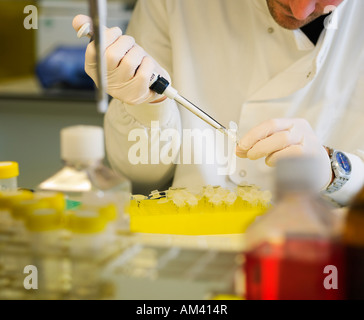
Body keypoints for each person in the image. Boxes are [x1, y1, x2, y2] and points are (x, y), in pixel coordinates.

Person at [72, 0, 364, 205]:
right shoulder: (176, 5)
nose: (300, 10)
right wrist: (145, 106)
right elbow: (138, 176)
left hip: (324, 257)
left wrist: (336, 170)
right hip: (191, 244)